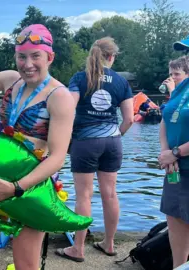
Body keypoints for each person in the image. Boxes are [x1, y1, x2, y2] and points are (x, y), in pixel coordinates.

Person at [0, 24, 75, 270]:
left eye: (36, 56)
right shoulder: (12, 80)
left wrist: (15, 188)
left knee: (26, 265)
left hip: (32, 190)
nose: (27, 64)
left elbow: (56, 158)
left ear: (50, 57)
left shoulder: (59, 97)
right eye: (21, 56)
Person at [56, 37, 134, 262]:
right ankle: (109, 244)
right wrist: (115, 134)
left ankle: (78, 249)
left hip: (85, 142)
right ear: (111, 57)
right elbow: (129, 119)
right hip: (113, 142)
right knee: (110, 194)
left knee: (84, 196)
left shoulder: (80, 78)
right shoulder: (122, 82)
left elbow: (67, 109)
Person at [158, 55, 189, 269]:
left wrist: (176, 153)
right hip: (177, 170)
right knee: (175, 223)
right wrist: (166, 152)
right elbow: (166, 118)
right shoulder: (180, 89)